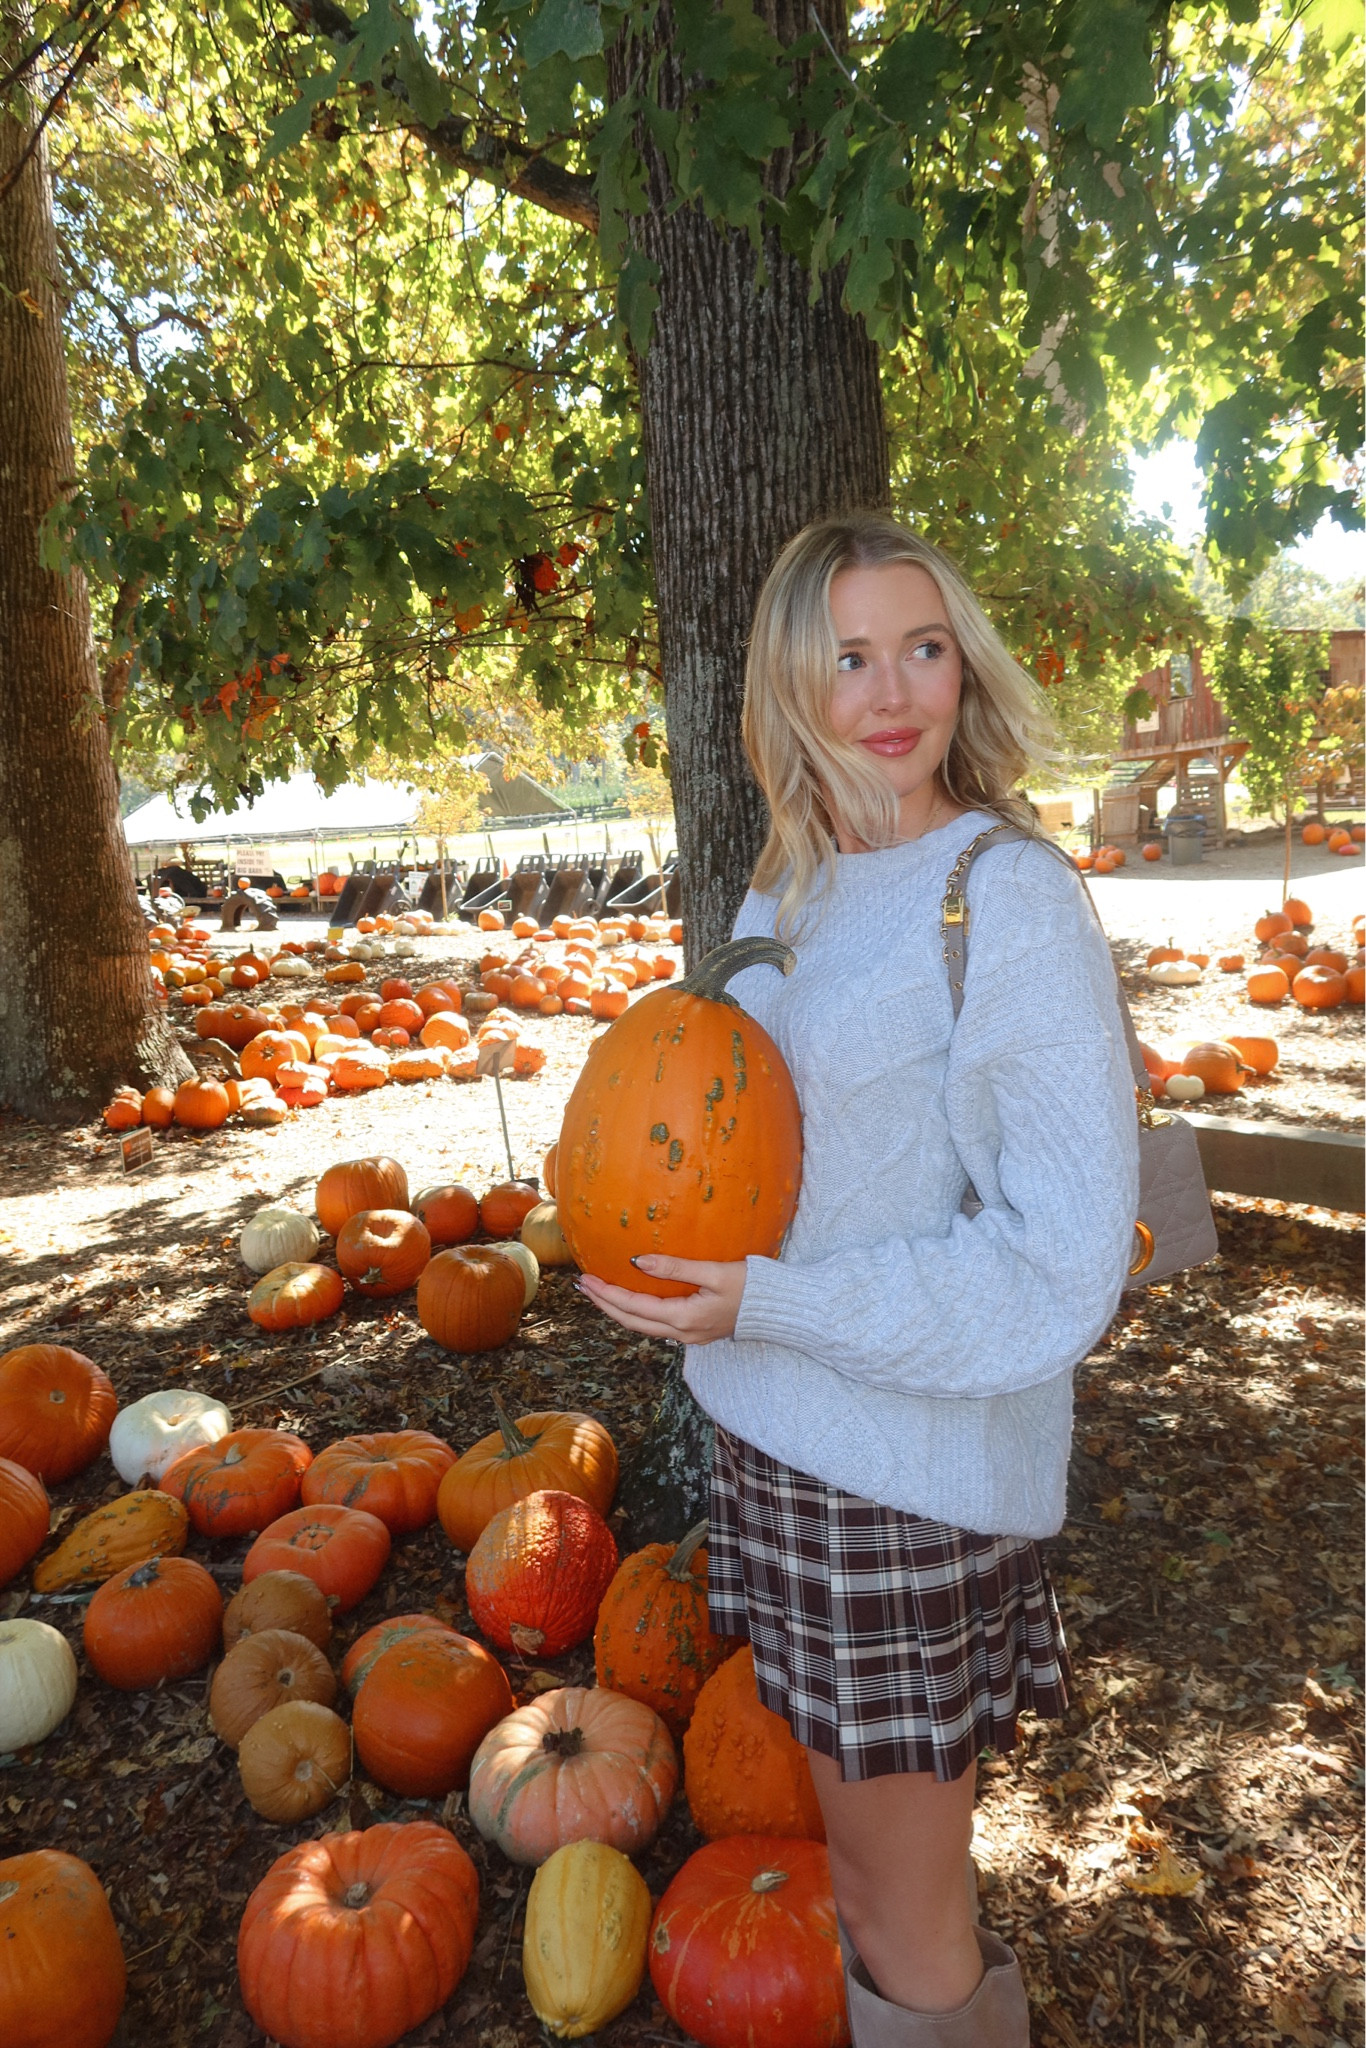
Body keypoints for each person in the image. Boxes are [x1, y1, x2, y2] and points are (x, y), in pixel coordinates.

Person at [577, 510, 1138, 2048]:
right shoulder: (789, 893)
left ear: (964, 667)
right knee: (866, 1874)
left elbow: (1059, 1268)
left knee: (902, 1917)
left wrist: (768, 1304)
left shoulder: (1006, 897)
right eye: (848, 658)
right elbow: (739, 1147)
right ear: (788, 684)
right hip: (773, 1445)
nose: (891, 693)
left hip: (901, 1482)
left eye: (922, 648)